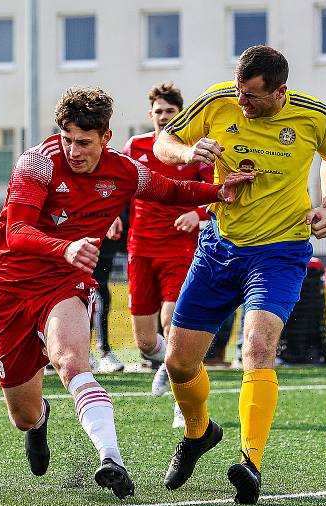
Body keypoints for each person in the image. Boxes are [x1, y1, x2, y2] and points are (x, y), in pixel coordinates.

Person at [0, 86, 251, 497]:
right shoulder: (37, 163)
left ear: (105, 137)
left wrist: (218, 191)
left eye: (84, 142)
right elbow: (17, 232)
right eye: (68, 139)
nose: (74, 150)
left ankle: (112, 460)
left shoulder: (123, 169)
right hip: (10, 286)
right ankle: (39, 423)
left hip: (64, 283)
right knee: (23, 414)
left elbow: (170, 190)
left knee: (71, 362)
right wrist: (67, 246)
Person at [153, 45, 326, 504]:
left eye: (253, 98)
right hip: (220, 247)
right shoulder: (218, 100)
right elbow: (163, 142)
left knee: (257, 348)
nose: (242, 103)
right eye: (240, 94)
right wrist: (186, 151)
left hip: (280, 251)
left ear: (280, 91)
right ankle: (199, 433)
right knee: (178, 362)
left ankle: (250, 463)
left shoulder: (313, 116)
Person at [121, 82, 215, 429]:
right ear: (151, 115)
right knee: (145, 342)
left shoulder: (190, 150)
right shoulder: (135, 146)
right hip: (140, 247)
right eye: (158, 112)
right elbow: (120, 185)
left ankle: (183, 404)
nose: (163, 117)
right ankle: (166, 363)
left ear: (180, 115)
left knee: (171, 321)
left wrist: (199, 213)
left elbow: (217, 191)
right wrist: (113, 217)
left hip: (179, 247)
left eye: (170, 112)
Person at [91, 206, 128, 373]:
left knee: (100, 296)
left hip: (105, 247)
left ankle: (101, 350)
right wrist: (106, 215)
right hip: (81, 241)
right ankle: (95, 351)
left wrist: (114, 213)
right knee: (91, 296)